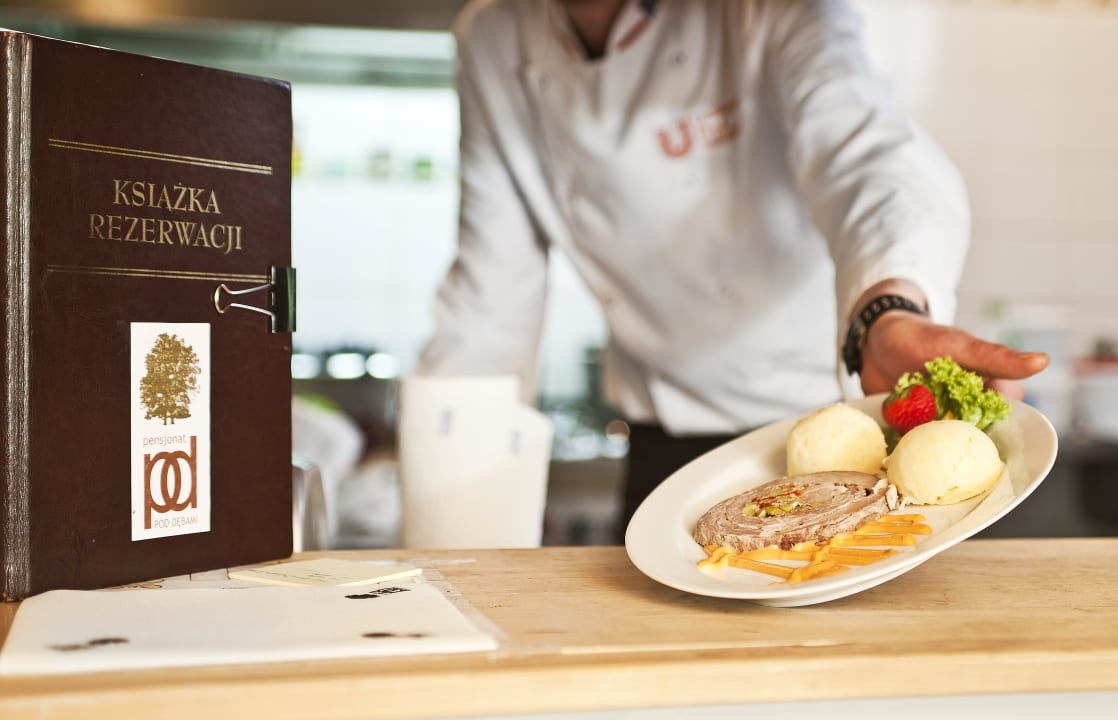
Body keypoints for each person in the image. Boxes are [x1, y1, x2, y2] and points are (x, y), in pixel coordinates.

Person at [416, 0, 1049, 535]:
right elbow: (489, 302)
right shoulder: (492, 35)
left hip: (834, 439)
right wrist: (449, 529)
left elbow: (871, 159)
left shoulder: (768, 10)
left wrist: (886, 309)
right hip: (663, 453)